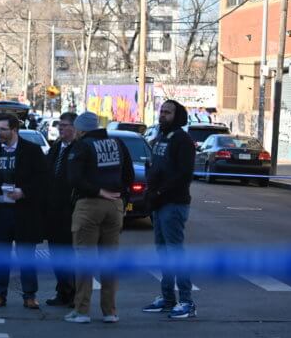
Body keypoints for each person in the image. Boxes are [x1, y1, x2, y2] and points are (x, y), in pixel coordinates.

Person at [64, 112, 134, 323]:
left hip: (89, 205)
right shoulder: (118, 143)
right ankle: (110, 311)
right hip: (115, 206)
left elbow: (74, 178)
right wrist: (120, 195)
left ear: (81, 130)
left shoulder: (82, 146)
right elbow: (129, 175)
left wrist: (97, 191)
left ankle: (82, 311)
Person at [0, 114, 47, 309]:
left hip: (24, 212)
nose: (0, 133)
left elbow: (44, 180)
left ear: (14, 130)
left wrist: (24, 192)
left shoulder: (32, 151)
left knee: (26, 256)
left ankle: (30, 295)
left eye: (3, 129)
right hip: (0, 212)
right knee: (1, 256)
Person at [142, 99, 197, 319]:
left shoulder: (182, 140)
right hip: (158, 204)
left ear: (177, 116)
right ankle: (167, 298)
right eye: (161, 111)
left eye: (167, 112)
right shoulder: (161, 138)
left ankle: (187, 301)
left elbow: (184, 174)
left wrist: (160, 191)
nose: (162, 115)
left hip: (173, 204)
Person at [44, 112, 77, 307]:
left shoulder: (79, 149)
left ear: (74, 127)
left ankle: (73, 293)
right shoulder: (56, 148)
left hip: (71, 209)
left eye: (65, 125)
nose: (61, 128)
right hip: (53, 209)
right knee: (56, 252)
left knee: (70, 253)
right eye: (60, 125)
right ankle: (62, 291)